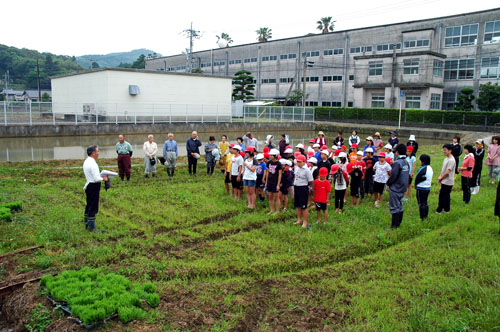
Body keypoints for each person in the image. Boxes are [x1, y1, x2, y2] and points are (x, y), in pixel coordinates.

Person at [83, 145, 108, 232]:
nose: (98, 153)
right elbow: (96, 178)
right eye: (97, 151)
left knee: (89, 205)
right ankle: (92, 228)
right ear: (93, 153)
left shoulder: (86, 161)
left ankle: (87, 224)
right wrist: (104, 178)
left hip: (89, 185)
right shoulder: (93, 164)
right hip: (93, 186)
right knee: (93, 207)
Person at [386, 144, 409, 228]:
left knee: (394, 207)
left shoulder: (397, 163)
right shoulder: (406, 162)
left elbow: (393, 175)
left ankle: (394, 226)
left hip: (396, 188)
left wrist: (388, 183)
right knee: (399, 206)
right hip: (403, 188)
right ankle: (398, 223)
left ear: (397, 152)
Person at [293, 155, 314, 227]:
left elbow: (311, 181)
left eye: (300, 162)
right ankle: (299, 219)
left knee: (304, 206)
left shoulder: (307, 170)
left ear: (304, 162)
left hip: (303, 188)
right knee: (298, 205)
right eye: (297, 162)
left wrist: (304, 184)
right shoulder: (296, 168)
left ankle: (305, 222)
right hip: (296, 187)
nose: (298, 163)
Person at [436, 144, 456, 214]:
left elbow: (448, 172)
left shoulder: (451, 160)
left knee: (443, 196)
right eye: (443, 150)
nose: (444, 151)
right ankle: (446, 209)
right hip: (444, 180)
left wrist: (441, 177)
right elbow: (443, 170)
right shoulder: (446, 158)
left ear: (450, 151)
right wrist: (440, 177)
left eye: (445, 150)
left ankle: (440, 209)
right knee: (445, 195)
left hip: (448, 181)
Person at [414, 154, 433, 220]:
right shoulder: (430, 168)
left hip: (421, 188)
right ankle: (425, 216)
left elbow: (417, 178)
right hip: (427, 188)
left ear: (423, 162)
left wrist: (415, 184)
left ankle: (422, 217)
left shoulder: (422, 169)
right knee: (425, 202)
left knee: (421, 203)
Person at [266, 149, 282, 214]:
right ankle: (272, 210)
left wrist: (278, 184)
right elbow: (267, 172)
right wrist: (266, 182)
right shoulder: (269, 162)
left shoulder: (279, 164)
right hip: (270, 181)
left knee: (276, 197)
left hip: (275, 182)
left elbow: (280, 174)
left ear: (275, 155)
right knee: (270, 196)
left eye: (271, 155)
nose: (270, 156)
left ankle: (277, 211)